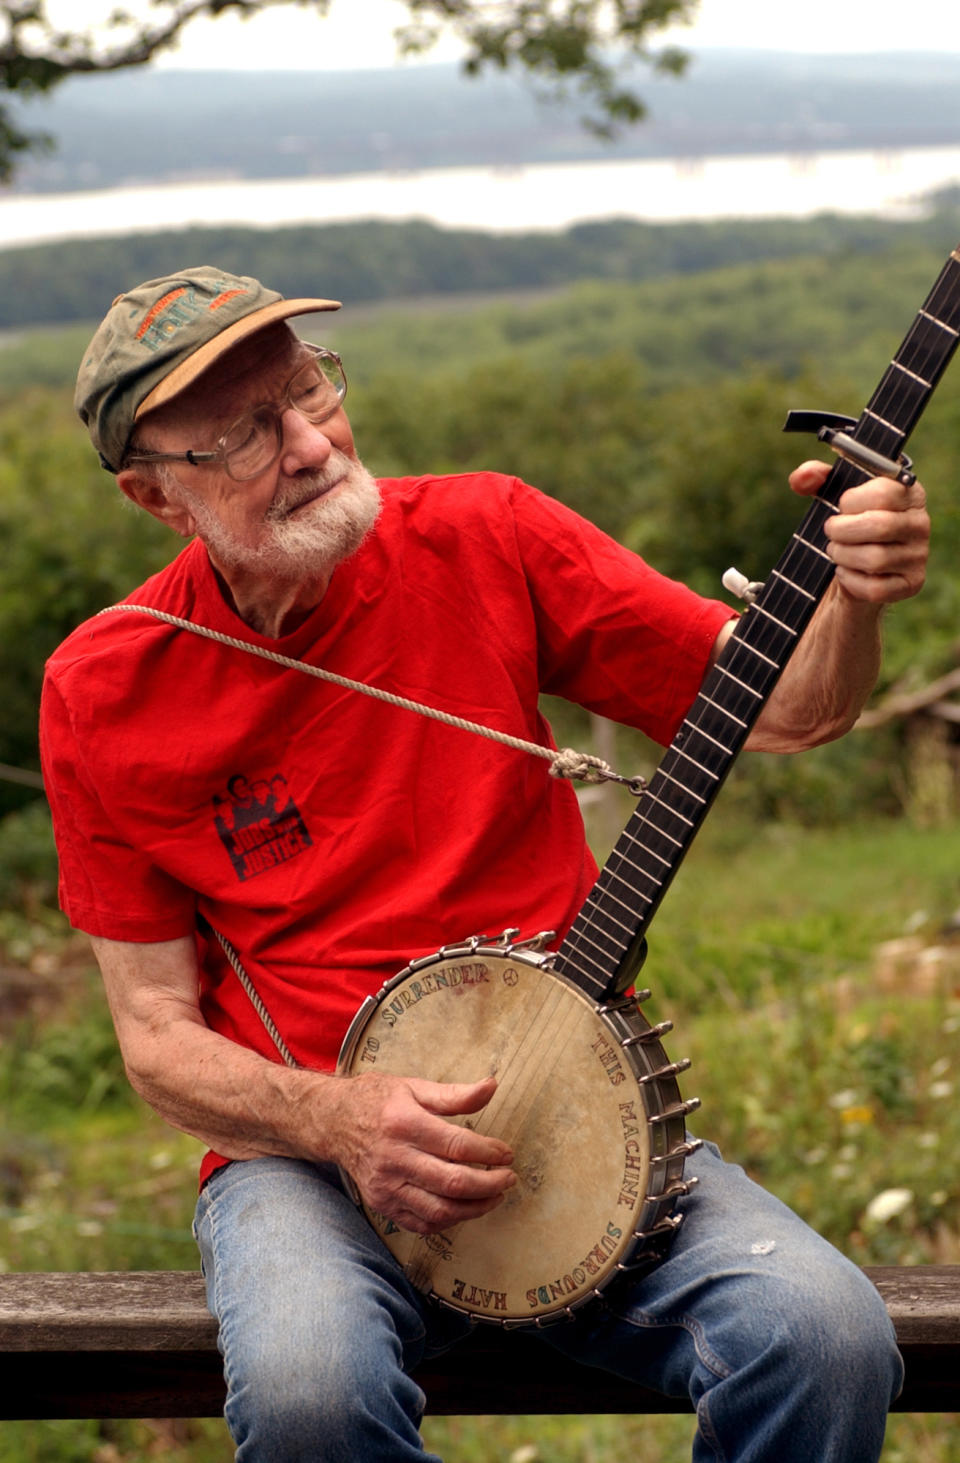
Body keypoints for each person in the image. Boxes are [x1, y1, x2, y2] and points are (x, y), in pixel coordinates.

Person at [40, 266, 929, 1462]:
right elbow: (153, 1036)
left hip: (576, 1103)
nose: (308, 442)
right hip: (308, 1161)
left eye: (309, 390)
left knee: (824, 1337)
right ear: (158, 495)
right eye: (246, 432)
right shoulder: (104, 687)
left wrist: (855, 592)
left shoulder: (487, 532)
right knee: (312, 1397)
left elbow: (789, 708)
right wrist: (344, 1117)